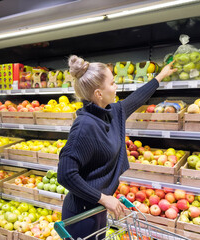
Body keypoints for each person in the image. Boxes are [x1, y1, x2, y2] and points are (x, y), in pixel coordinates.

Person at [57, 55, 177, 239]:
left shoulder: (111, 113)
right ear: (98, 93)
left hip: (97, 208)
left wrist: (159, 77)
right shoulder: (84, 126)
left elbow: (136, 99)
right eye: (112, 83)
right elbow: (65, 174)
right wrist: (104, 199)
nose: (116, 87)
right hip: (81, 215)